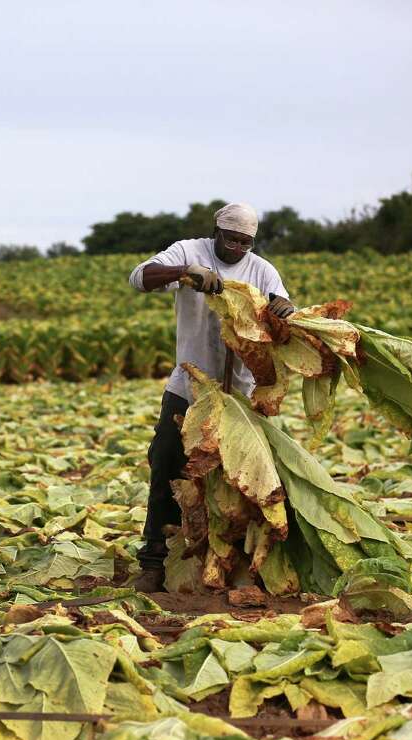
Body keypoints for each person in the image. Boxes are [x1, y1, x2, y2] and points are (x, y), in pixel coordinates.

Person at [126, 202, 295, 593]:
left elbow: (281, 314)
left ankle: (231, 559)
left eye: (245, 242)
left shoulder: (261, 269)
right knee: (167, 463)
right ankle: (153, 558)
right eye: (231, 239)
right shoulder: (189, 251)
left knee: (248, 480)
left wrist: (286, 309)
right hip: (189, 389)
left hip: (240, 396)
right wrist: (186, 274)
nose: (237, 248)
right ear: (216, 232)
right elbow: (140, 277)